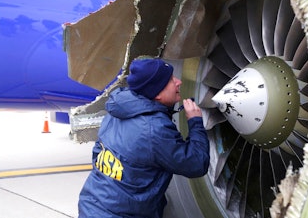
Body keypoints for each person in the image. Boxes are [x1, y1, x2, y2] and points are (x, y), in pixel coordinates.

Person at [78, 57, 210, 218]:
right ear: (157, 93)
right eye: (170, 80)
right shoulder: (154, 129)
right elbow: (196, 164)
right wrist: (195, 122)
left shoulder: (118, 108)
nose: (179, 82)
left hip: (91, 205)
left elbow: (98, 151)